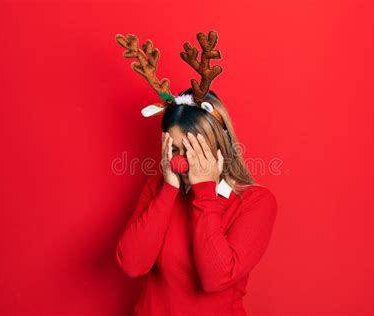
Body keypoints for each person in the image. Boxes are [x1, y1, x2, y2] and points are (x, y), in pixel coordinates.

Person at [115, 31, 278, 316]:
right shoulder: (160, 186)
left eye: (194, 150)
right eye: (176, 149)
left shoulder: (256, 202)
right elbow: (131, 264)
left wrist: (204, 192)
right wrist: (168, 190)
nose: (183, 162)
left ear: (219, 145)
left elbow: (216, 278)